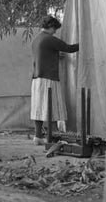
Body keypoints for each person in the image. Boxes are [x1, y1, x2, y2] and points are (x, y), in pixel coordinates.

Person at [31, 16, 78, 145]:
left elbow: (43, 55)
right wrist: (85, 44)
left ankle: (38, 136)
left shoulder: (36, 40)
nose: (55, 32)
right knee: (52, 107)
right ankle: (52, 137)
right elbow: (69, 48)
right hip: (49, 78)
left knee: (38, 108)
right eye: (55, 29)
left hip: (36, 78)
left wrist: (56, 55)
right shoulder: (49, 39)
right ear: (51, 26)